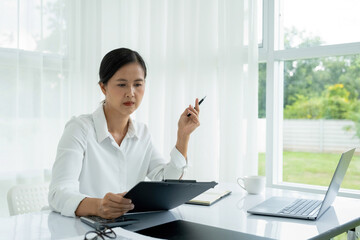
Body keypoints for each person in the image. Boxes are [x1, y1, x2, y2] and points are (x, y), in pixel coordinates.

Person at [48, 48, 201, 219]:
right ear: (103, 87)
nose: (131, 93)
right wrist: (98, 206)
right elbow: (58, 194)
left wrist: (183, 136)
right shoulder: (79, 129)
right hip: (84, 230)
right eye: (122, 84)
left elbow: (166, 181)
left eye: (138, 84)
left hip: (127, 228)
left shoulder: (142, 132)